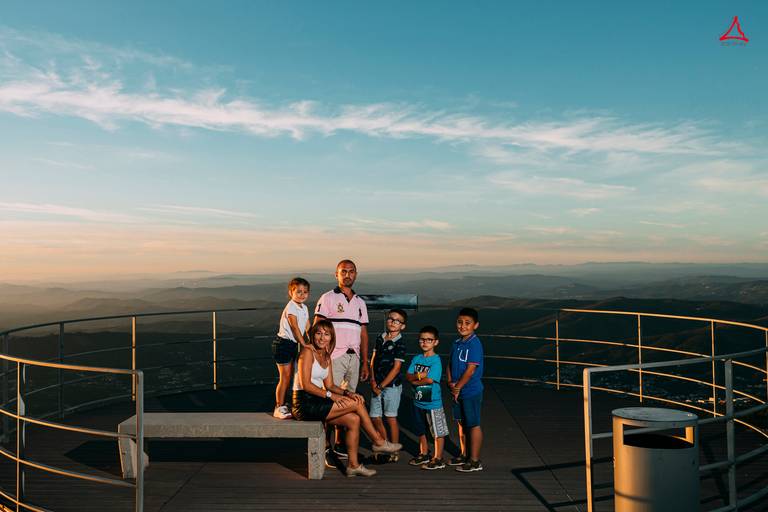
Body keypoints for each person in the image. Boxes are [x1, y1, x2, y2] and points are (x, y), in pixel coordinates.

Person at [292, 320, 402, 477]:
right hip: (304, 404)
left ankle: (353, 465)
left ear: (331, 337)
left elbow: (330, 385)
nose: (322, 338)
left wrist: (347, 393)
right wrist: (332, 396)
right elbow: (306, 385)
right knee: (357, 405)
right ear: (312, 335)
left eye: (326, 334)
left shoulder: (326, 356)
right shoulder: (307, 352)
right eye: (318, 333)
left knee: (354, 420)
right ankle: (378, 442)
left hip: (317, 400)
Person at [314, 259, 369, 457]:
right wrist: (320, 355)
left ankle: (338, 444)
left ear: (356, 274)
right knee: (329, 402)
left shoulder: (360, 302)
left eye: (351, 271)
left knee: (347, 401)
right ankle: (323, 446)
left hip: (353, 358)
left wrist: (364, 362)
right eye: (343, 271)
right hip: (334, 356)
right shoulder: (327, 298)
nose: (347, 275)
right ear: (336, 275)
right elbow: (318, 326)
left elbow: (363, 333)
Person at [446, 307, 485, 472]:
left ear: (475, 325)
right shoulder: (456, 343)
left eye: (467, 323)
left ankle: (475, 460)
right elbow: (450, 363)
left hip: (470, 391)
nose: (463, 326)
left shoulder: (474, 343)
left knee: (473, 424)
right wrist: (449, 382)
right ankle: (464, 454)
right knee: (462, 424)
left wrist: (458, 387)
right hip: (458, 391)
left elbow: (470, 370)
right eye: (460, 322)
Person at [406, 325, 449, 470]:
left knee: (437, 431)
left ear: (436, 342)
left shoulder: (436, 360)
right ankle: (424, 453)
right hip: (418, 401)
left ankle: (438, 458)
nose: (425, 342)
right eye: (422, 340)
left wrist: (415, 380)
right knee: (420, 429)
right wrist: (419, 376)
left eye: (429, 340)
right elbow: (408, 375)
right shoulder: (417, 358)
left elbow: (430, 380)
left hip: (433, 403)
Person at [369, 308, 407, 462]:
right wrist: (372, 381)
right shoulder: (380, 337)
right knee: (375, 417)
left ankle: (395, 450)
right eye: (391, 318)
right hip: (375, 384)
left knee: (390, 417)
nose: (392, 322)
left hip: (391, 386)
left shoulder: (400, 343)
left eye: (397, 320)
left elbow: (396, 368)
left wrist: (381, 386)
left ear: (402, 326)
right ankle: (385, 444)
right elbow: (373, 360)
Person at [271, 277, 311, 419]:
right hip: (283, 344)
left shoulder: (304, 307)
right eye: (298, 291)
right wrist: (305, 344)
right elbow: (295, 328)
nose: (302, 294)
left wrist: (312, 340)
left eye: (305, 292)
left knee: (295, 375)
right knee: (285, 377)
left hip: (292, 344)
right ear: (290, 292)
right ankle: (278, 407)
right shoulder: (291, 307)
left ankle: (292, 404)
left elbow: (307, 326)